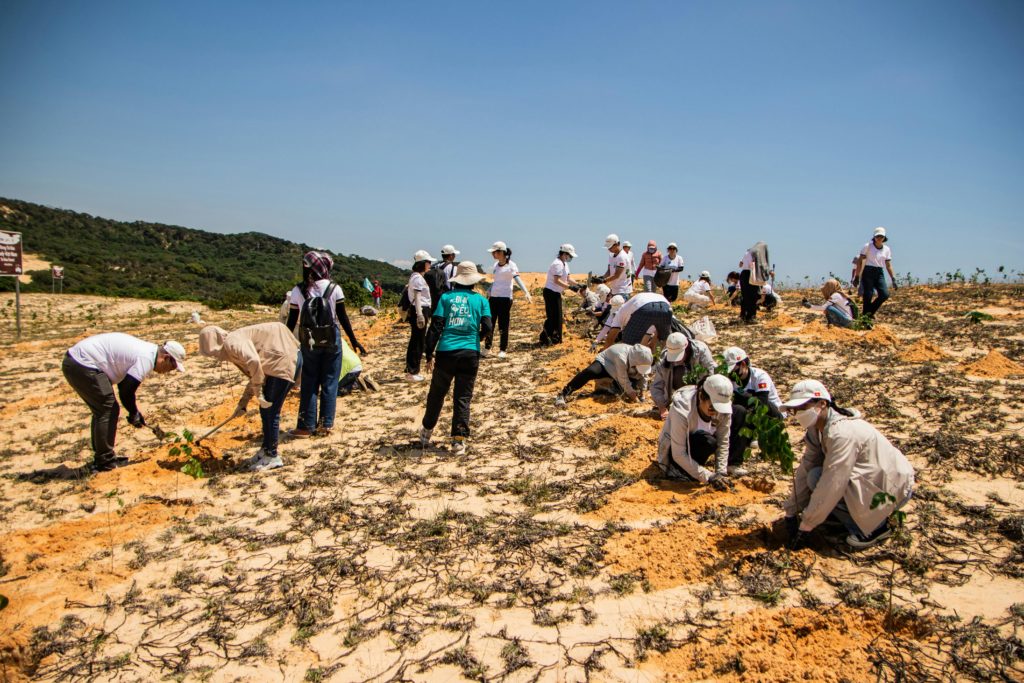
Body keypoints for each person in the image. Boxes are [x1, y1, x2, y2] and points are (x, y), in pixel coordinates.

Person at [781, 380, 914, 549]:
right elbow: (806, 466)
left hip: (894, 488)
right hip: (874, 481)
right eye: (795, 410)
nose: (798, 414)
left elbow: (833, 482)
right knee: (813, 475)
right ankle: (854, 514)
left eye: (802, 408)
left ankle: (876, 529)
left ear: (822, 404)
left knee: (819, 480)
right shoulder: (816, 430)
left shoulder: (841, 434)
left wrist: (806, 525)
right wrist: (792, 510)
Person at [62, 333, 185, 471]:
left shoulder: (148, 351)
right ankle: (105, 462)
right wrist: (134, 413)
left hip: (78, 362)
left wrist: (134, 413)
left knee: (103, 409)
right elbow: (126, 390)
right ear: (166, 358)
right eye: (172, 368)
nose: (168, 372)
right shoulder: (146, 358)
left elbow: (124, 386)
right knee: (107, 408)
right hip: (83, 364)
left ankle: (102, 458)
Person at [286, 251, 367, 437]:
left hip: (308, 340)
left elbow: (291, 321)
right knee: (330, 381)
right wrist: (354, 341)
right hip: (332, 338)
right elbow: (343, 317)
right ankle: (325, 425)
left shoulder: (298, 290)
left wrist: (284, 342)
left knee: (309, 382)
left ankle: (306, 427)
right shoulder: (334, 288)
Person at [198, 323, 300, 471]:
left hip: (281, 364)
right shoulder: (235, 341)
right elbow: (253, 374)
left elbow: (254, 362)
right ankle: (265, 450)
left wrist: (259, 391)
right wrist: (243, 403)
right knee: (265, 411)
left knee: (271, 412)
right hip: (278, 364)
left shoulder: (232, 342)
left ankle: (272, 456)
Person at [419, 261, 492, 454]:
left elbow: (436, 327)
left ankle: (426, 431)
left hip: (446, 353)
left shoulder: (446, 298)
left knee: (437, 393)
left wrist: (428, 354)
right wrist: (478, 338)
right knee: (463, 397)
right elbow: (488, 327)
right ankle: (458, 441)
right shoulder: (481, 300)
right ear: (474, 281)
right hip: (470, 354)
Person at [656, 374, 750, 486]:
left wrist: (721, 473)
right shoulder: (682, 410)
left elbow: (723, 441)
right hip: (677, 454)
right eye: (712, 406)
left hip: (699, 445)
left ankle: (730, 465)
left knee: (739, 411)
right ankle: (680, 472)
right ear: (701, 396)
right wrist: (708, 476)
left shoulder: (723, 408)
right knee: (708, 441)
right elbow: (678, 453)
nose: (716, 411)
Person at [555, 343, 653, 407]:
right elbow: (623, 379)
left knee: (630, 388)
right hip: (606, 363)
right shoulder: (621, 357)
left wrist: (642, 393)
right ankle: (563, 394)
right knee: (590, 372)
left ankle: (609, 387)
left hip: (621, 371)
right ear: (633, 361)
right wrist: (635, 399)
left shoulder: (642, 359)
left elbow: (643, 376)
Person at [650, 332, 716, 418]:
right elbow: (656, 386)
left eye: (679, 356)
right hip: (677, 396)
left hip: (698, 392)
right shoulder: (663, 360)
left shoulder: (701, 351)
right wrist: (662, 407)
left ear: (686, 347)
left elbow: (708, 379)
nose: (676, 361)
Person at [485, 241, 532, 358]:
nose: (492, 254)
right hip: (493, 298)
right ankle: (487, 347)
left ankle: (502, 349)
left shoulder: (511, 265)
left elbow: (517, 279)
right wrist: (489, 290)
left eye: (494, 252)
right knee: (490, 323)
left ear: (501, 252)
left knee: (503, 324)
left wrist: (526, 291)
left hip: (505, 298)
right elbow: (496, 281)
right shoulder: (496, 265)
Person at [599, 291, 672, 351]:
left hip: (644, 307)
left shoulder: (619, 314)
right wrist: (652, 344)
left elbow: (610, 339)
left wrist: (605, 357)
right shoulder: (628, 308)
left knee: (628, 347)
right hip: (666, 306)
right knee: (663, 341)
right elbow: (653, 334)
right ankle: (658, 364)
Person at [723, 346, 784, 418]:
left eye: (733, 371)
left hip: (772, 413)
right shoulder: (729, 379)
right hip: (749, 412)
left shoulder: (760, 376)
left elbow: (762, 402)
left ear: (743, 364)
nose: (730, 375)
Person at [540, 244, 581, 346]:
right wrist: (569, 287)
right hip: (550, 292)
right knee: (553, 317)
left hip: (556, 293)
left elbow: (568, 278)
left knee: (557, 317)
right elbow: (557, 280)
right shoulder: (557, 264)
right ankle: (546, 337)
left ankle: (555, 338)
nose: (570, 258)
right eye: (570, 256)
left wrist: (578, 284)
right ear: (564, 254)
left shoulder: (565, 264)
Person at [405, 249, 436, 381]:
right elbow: (417, 297)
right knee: (418, 341)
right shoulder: (418, 278)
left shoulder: (415, 276)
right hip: (420, 309)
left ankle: (411, 369)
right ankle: (413, 371)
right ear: (423, 263)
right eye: (428, 262)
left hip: (420, 309)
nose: (430, 264)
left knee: (416, 340)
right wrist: (419, 315)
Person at [853, 227, 898, 317]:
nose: (879, 238)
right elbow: (860, 262)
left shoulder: (887, 249)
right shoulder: (867, 246)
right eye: (878, 236)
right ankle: (866, 318)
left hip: (879, 272)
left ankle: (868, 313)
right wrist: (857, 276)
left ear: (884, 238)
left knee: (884, 294)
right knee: (868, 295)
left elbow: (888, 265)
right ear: (874, 237)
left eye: (881, 236)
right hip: (868, 271)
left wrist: (893, 279)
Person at [595, 234, 633, 300]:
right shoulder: (611, 255)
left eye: (610, 247)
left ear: (617, 244)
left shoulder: (622, 257)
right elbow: (609, 271)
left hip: (623, 290)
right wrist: (601, 278)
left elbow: (617, 275)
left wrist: (604, 280)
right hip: (614, 289)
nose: (609, 249)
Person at [738, 247, 761, 323]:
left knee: (745, 296)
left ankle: (743, 314)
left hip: (744, 274)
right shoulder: (754, 254)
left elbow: (740, 265)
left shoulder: (745, 254)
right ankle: (751, 317)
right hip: (750, 274)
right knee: (753, 296)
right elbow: (753, 265)